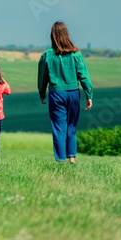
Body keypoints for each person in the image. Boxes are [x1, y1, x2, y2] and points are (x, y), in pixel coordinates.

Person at [37, 21, 93, 163]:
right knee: (71, 126)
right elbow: (84, 75)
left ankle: (61, 159)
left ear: (52, 36)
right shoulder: (76, 53)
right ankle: (72, 158)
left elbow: (42, 77)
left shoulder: (47, 55)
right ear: (66, 35)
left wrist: (42, 93)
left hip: (56, 94)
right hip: (74, 93)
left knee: (58, 127)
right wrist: (89, 95)